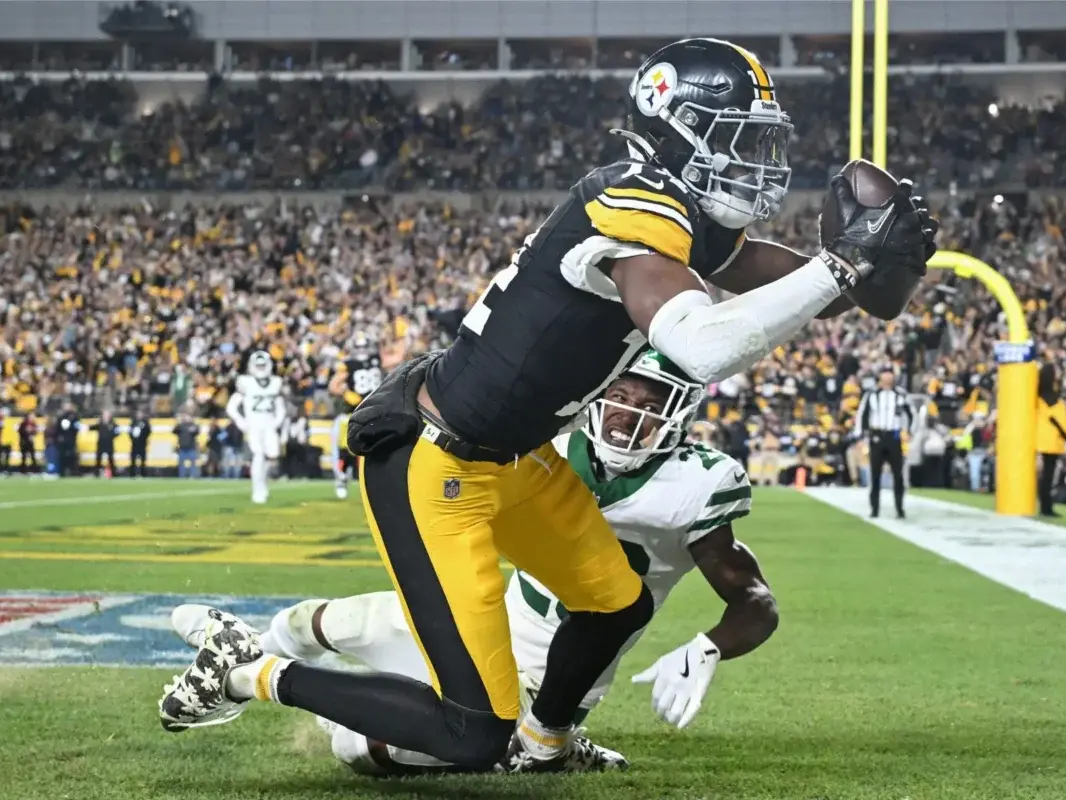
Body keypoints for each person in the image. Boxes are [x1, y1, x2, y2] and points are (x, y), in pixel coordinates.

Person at [160, 37, 936, 772]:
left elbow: (799, 289)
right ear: (676, 132)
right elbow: (702, 346)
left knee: (616, 602)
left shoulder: (685, 219)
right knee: (469, 732)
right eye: (738, 138)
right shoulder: (631, 200)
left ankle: (547, 742)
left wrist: (879, 265)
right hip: (436, 464)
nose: (757, 161)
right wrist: (843, 264)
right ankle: (252, 671)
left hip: (517, 457)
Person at [168, 353, 776, 773]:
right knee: (313, 621)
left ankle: (550, 738)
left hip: (544, 679)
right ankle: (242, 651)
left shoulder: (696, 484)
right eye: (618, 396)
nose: (627, 414)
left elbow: (754, 600)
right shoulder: (550, 444)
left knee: (359, 748)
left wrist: (708, 647)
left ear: (682, 409)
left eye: (650, 401)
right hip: (483, 618)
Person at [225, 350, 286, 503]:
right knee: (258, 456)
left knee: (270, 457)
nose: (260, 368)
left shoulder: (275, 382)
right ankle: (257, 490)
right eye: (257, 365)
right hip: (253, 425)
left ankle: (262, 486)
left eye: (263, 365)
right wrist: (241, 421)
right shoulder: (245, 382)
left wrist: (277, 421)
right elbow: (231, 407)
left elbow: (280, 406)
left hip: (269, 425)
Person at [854, 367, 915, 518]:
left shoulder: (901, 394)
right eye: (885, 374)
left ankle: (900, 508)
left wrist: (910, 431)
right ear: (880, 376)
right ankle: (874, 509)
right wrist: (861, 436)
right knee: (875, 475)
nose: (887, 377)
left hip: (894, 436)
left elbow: (912, 413)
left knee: (898, 475)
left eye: (890, 374)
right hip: (877, 436)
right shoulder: (871, 394)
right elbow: (862, 414)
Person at [1036, 363, 1066, 518]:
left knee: (1043, 476)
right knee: (1048, 477)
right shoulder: (1055, 400)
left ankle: (1044, 505)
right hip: (1052, 441)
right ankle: (1046, 507)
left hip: (1038, 439)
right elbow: (1063, 422)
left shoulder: (1037, 397)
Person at [55, 403, 81, 477]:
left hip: (71, 440)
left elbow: (77, 427)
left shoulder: (74, 416)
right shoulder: (61, 417)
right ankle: (62, 472)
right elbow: (58, 429)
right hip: (63, 441)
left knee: (72, 456)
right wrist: (59, 437)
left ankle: (73, 472)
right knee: (62, 456)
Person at [173, 412, 201, 479]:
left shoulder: (193, 425)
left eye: (188, 417)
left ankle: (192, 476)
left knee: (192, 463)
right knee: (181, 464)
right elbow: (174, 431)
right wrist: (178, 423)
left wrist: (195, 425)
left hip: (191, 448)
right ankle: (182, 476)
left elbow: (197, 432)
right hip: (182, 448)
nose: (186, 418)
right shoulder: (180, 426)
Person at [93, 410, 118, 478]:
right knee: (98, 459)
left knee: (111, 459)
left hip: (109, 443)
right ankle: (96, 474)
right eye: (105, 415)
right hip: (101, 443)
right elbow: (92, 427)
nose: (106, 416)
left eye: (107, 415)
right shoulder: (100, 423)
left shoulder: (113, 424)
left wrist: (112, 436)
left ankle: (114, 474)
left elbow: (117, 432)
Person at [128, 410, 150, 478]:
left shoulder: (145, 423)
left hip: (142, 445)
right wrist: (133, 438)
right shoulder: (133, 422)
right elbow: (129, 432)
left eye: (140, 414)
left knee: (143, 461)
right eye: (138, 414)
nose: (139, 415)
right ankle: (132, 475)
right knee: (133, 460)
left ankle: (143, 474)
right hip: (134, 445)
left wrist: (143, 438)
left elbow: (148, 431)